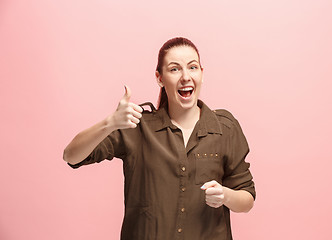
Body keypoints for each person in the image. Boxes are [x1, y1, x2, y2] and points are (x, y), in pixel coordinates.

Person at [63, 37, 256, 240]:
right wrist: (110, 123)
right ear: (159, 78)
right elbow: (71, 156)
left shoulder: (225, 128)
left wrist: (225, 195)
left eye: (192, 67)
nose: (185, 77)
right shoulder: (137, 127)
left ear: (202, 73)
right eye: (174, 69)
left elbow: (247, 198)